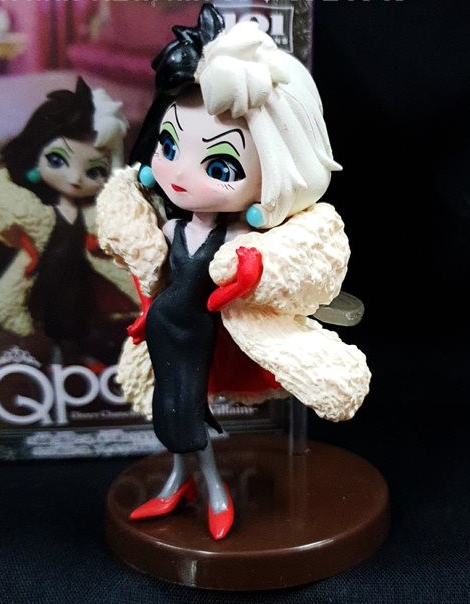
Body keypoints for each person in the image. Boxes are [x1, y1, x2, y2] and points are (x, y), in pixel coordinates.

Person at [97, 4, 371, 540]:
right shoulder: (171, 229)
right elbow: (155, 277)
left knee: (187, 418)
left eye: (220, 166)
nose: (179, 173)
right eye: (169, 145)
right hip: (166, 336)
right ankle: (179, 483)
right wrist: (145, 313)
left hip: (203, 342)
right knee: (171, 415)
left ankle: (211, 491)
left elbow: (272, 271)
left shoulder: (237, 242)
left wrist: (250, 276)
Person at [0, 77, 138, 367]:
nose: (75, 178)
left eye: (94, 171)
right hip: (45, 286)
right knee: (47, 331)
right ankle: (56, 362)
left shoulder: (93, 216)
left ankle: (78, 363)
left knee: (80, 329)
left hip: (82, 288)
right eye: (57, 160)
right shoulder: (35, 213)